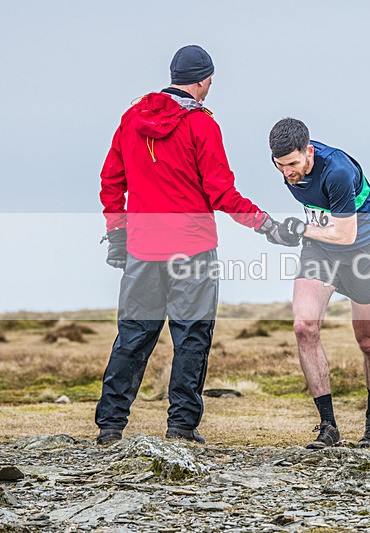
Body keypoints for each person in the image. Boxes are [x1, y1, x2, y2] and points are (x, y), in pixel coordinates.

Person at [96, 45, 294, 446]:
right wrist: (267, 225)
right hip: (193, 250)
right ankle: (182, 428)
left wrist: (118, 234)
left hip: (142, 249)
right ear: (205, 80)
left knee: (134, 335)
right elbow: (221, 192)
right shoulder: (202, 125)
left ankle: (110, 426)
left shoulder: (131, 118)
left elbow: (111, 181)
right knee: (191, 336)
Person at [267, 118, 370, 449]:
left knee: (367, 342)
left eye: (292, 164)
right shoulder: (288, 165)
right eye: (280, 166)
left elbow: (345, 233)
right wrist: (284, 232)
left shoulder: (336, 170)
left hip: (363, 250)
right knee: (304, 327)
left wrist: (300, 229)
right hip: (320, 252)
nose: (287, 173)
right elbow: (317, 222)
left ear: (308, 152)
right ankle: (328, 427)